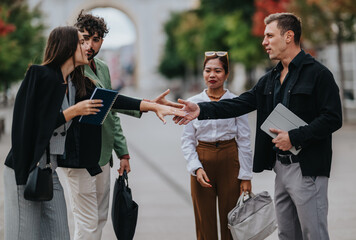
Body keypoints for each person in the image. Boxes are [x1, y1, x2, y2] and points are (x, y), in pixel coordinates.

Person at [176, 13, 342, 240]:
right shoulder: (271, 78)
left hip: (307, 168)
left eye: (269, 36)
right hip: (281, 169)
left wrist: (294, 136)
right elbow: (240, 104)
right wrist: (201, 110)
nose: (264, 42)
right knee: (287, 234)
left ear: (288, 36)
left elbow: (333, 117)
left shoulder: (319, 74)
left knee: (314, 234)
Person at [58, 11, 184, 240]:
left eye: (95, 40)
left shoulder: (103, 68)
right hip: (79, 154)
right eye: (84, 39)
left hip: (103, 154)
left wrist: (123, 152)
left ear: (102, 41)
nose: (89, 45)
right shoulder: (71, 68)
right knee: (86, 223)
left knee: (99, 218)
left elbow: (111, 111)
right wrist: (146, 105)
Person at [3, 26, 102, 240]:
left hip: (49, 172)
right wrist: (72, 112)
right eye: (81, 42)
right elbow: (28, 127)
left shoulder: (75, 84)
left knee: (59, 235)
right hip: (25, 168)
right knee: (24, 236)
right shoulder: (39, 75)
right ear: (67, 46)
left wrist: (151, 106)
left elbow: (110, 99)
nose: (88, 47)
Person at [181, 51, 253, 240]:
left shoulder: (236, 102)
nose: (212, 75)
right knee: (204, 223)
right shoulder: (193, 103)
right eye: (208, 70)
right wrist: (196, 168)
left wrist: (246, 176)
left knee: (231, 221)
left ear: (227, 74)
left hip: (230, 160)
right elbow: (187, 140)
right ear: (203, 73)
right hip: (202, 159)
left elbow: (244, 140)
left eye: (218, 71)